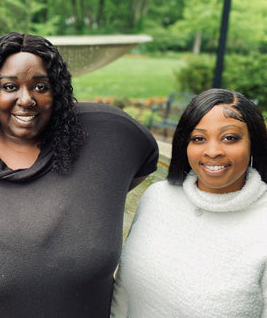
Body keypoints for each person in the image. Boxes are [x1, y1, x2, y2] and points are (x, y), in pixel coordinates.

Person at [0, 32, 159, 317]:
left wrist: (99, 195)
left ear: (58, 92)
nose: (26, 99)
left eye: (41, 86)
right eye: (9, 86)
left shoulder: (111, 134)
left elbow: (144, 166)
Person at [110, 88, 267, 317]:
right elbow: (122, 294)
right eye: (199, 138)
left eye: (230, 138)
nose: (213, 151)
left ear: (254, 143)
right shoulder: (157, 197)